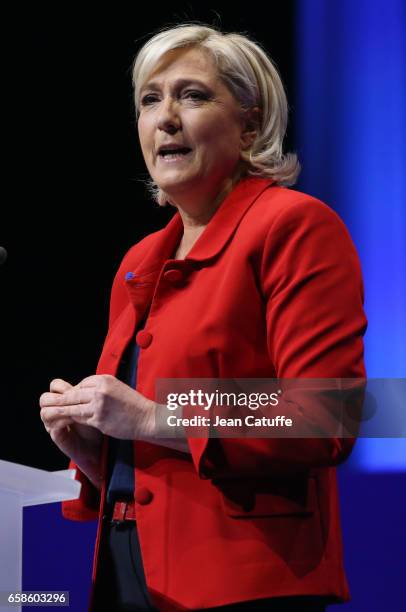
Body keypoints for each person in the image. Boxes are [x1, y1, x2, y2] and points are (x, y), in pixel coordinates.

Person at [39, 24, 367, 612]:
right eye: (149, 99)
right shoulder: (140, 260)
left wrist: (151, 415)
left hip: (245, 581)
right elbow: (155, 441)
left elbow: (326, 411)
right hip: (126, 570)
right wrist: (96, 448)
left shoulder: (293, 227)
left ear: (250, 125)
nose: (165, 117)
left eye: (192, 95)